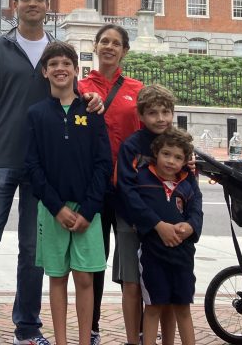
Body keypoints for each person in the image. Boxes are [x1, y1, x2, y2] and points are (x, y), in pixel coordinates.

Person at [0, 0, 102, 345]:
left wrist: (90, 100)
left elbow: (71, 94)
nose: (33, 3)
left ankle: (28, 329)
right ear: (14, 4)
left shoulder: (56, 50)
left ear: (48, 4)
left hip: (42, 169)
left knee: (33, 252)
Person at [25, 42, 111, 345]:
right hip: (53, 210)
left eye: (66, 63)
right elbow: (32, 166)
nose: (60, 68)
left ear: (76, 70)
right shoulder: (36, 114)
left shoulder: (91, 110)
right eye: (53, 64)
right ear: (45, 71)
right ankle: (61, 340)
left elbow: (103, 163)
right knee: (57, 277)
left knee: (85, 277)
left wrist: (89, 209)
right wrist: (56, 207)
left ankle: (85, 339)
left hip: (88, 210)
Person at [78, 25, 143, 345]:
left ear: (124, 51)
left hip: (130, 186)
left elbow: (151, 135)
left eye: (116, 43)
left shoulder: (136, 89)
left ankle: (140, 328)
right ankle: (92, 327)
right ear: (95, 46)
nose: (109, 47)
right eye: (104, 41)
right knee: (95, 259)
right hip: (97, 187)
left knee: (134, 261)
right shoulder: (80, 87)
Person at [116, 84, 179, 345]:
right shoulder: (132, 146)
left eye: (166, 112)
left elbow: (187, 187)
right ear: (141, 116)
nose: (160, 118)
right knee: (131, 284)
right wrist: (153, 223)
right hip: (131, 223)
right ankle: (134, 339)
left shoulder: (178, 145)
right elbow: (126, 189)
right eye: (153, 113)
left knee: (168, 286)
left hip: (170, 225)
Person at [129, 128, 202, 345]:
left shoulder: (188, 184)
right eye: (166, 154)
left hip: (183, 257)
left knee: (183, 308)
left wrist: (190, 227)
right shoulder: (142, 178)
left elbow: (196, 211)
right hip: (153, 256)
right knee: (153, 307)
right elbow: (135, 207)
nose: (171, 161)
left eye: (178, 157)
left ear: (186, 161)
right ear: (156, 153)